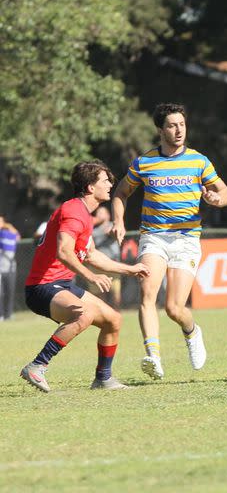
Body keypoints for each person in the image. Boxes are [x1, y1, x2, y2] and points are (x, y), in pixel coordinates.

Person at [111, 102, 227, 380]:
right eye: (172, 125)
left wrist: (217, 199)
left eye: (182, 125)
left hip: (186, 238)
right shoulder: (144, 162)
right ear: (160, 129)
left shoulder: (199, 161)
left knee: (175, 308)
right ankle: (153, 356)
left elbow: (224, 192)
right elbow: (120, 192)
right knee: (147, 293)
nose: (178, 131)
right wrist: (118, 220)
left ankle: (192, 332)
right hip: (153, 237)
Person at [19, 161, 149, 393]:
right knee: (84, 314)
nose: (111, 185)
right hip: (42, 287)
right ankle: (37, 365)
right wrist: (91, 276)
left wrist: (129, 269)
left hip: (62, 285)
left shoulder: (83, 214)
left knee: (113, 320)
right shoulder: (74, 212)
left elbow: (91, 255)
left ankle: (103, 379)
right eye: (105, 181)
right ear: (90, 187)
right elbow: (64, 251)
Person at [87, 206, 123, 308]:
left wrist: (111, 231)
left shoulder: (112, 225)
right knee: (99, 294)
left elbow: (112, 232)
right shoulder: (91, 229)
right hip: (96, 266)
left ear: (108, 215)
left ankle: (116, 311)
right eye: (97, 213)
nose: (99, 215)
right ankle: (103, 313)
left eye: (102, 213)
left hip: (113, 265)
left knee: (115, 293)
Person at [0, 215, 20, 320]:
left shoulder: (8, 234)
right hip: (0, 269)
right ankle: (1, 315)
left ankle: (9, 314)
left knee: (9, 291)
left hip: (10, 268)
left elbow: (17, 236)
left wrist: (9, 226)